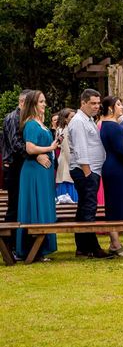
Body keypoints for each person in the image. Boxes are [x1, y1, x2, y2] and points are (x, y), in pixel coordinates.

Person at [68, 89, 112, 258]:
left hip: (91, 169)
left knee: (84, 209)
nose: (96, 106)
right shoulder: (79, 121)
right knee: (89, 209)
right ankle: (93, 247)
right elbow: (80, 148)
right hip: (86, 170)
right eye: (92, 103)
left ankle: (82, 247)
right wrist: (88, 173)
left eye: (97, 103)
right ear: (83, 103)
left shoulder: (88, 119)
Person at [15, 90, 59, 261]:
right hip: (34, 171)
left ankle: (42, 247)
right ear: (33, 104)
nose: (44, 104)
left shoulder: (41, 123)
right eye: (41, 102)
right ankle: (33, 248)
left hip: (43, 171)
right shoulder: (31, 124)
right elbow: (30, 148)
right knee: (35, 205)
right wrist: (50, 149)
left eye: (44, 101)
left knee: (43, 204)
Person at [99, 96, 123, 256]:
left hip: (117, 167)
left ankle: (116, 242)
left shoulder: (112, 124)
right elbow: (120, 149)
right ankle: (114, 243)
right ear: (111, 108)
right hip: (115, 167)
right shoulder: (110, 126)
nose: (122, 107)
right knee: (113, 206)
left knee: (118, 204)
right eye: (119, 104)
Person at [2, 89, 33, 254]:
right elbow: (15, 144)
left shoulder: (20, 117)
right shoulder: (14, 117)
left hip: (16, 165)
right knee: (14, 206)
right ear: (23, 102)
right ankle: (10, 246)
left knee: (17, 205)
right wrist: (34, 154)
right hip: (15, 166)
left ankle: (16, 244)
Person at [55, 108, 77, 202]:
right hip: (68, 165)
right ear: (65, 119)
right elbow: (68, 151)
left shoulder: (66, 130)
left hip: (65, 164)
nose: (74, 118)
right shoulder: (67, 131)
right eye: (72, 117)